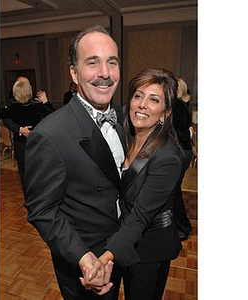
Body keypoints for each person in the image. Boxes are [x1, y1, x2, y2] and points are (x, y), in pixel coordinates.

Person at [24, 25, 126, 300]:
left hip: (117, 247)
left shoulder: (123, 117)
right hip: (84, 258)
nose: (104, 73)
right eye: (92, 63)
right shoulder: (50, 134)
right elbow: (42, 211)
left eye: (112, 63)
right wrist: (83, 257)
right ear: (74, 72)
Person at [85, 68, 183, 300]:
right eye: (138, 96)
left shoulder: (167, 157)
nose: (142, 104)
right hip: (126, 237)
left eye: (154, 100)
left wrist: (102, 261)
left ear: (165, 114)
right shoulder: (126, 136)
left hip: (150, 247)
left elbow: (141, 216)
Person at [0, 80, 54, 186]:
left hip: (37, 144)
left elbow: (53, 118)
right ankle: (31, 201)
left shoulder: (37, 105)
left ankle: (34, 200)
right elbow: (6, 120)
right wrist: (20, 129)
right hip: (23, 144)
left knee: (37, 173)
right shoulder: (12, 106)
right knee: (26, 174)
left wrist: (45, 102)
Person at [171, 78, 193, 240]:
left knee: (174, 191)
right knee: (175, 190)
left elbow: (181, 133)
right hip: (185, 152)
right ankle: (183, 226)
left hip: (180, 151)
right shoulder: (184, 105)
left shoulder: (176, 106)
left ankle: (182, 228)